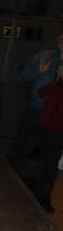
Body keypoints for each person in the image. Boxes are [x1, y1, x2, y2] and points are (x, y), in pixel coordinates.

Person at [11, 33, 63, 179]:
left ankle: (43, 193)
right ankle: (8, 186)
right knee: (20, 151)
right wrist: (38, 70)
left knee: (50, 161)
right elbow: (23, 75)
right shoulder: (45, 55)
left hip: (58, 120)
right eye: (61, 36)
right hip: (35, 112)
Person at [34, 65, 63, 213]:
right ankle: (41, 196)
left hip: (55, 130)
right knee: (48, 164)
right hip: (50, 128)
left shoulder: (58, 85)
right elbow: (41, 92)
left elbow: (42, 93)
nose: (58, 69)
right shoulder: (57, 85)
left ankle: (42, 197)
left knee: (49, 165)